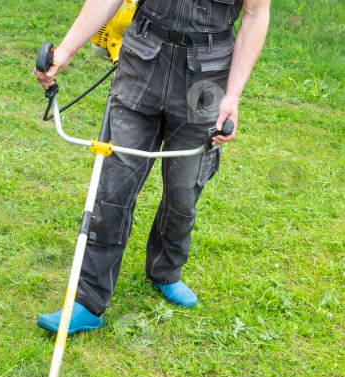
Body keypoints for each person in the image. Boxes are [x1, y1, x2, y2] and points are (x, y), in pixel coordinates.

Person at [35, 0, 270, 334]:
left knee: (184, 187)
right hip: (142, 64)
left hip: (205, 78)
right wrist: (67, 49)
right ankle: (87, 301)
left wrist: (233, 96)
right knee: (113, 187)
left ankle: (166, 268)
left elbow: (256, 14)